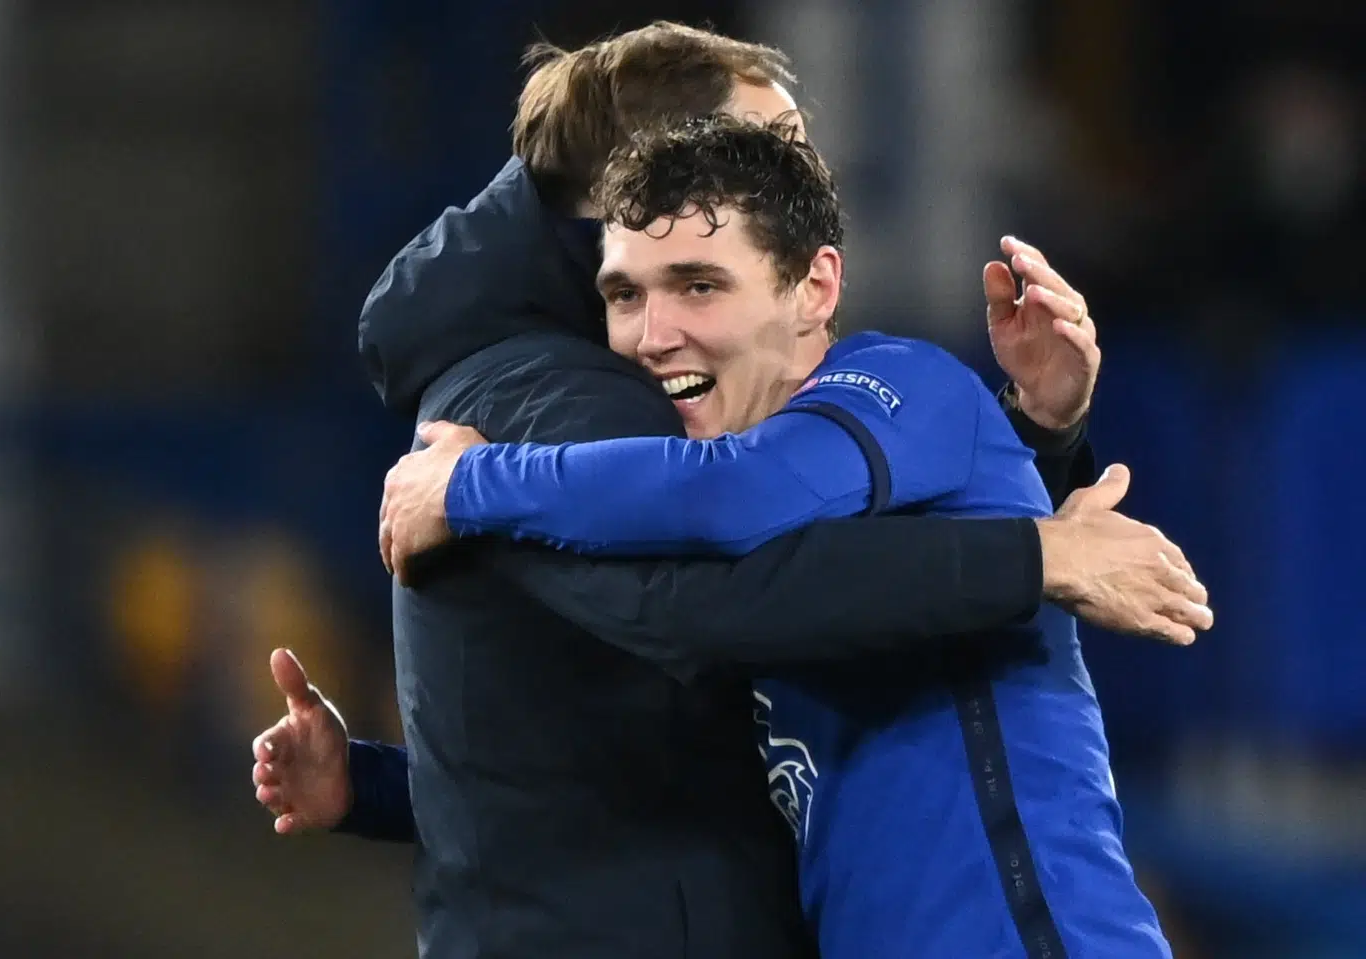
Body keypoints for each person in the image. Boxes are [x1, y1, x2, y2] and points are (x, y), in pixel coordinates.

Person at [251, 22, 1206, 959]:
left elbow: (739, 516)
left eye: (698, 285)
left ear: (811, 283)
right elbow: (665, 720)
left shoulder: (888, 386)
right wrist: (378, 788)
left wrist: (471, 483)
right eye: (629, 292)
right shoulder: (564, 395)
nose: (800, 180)